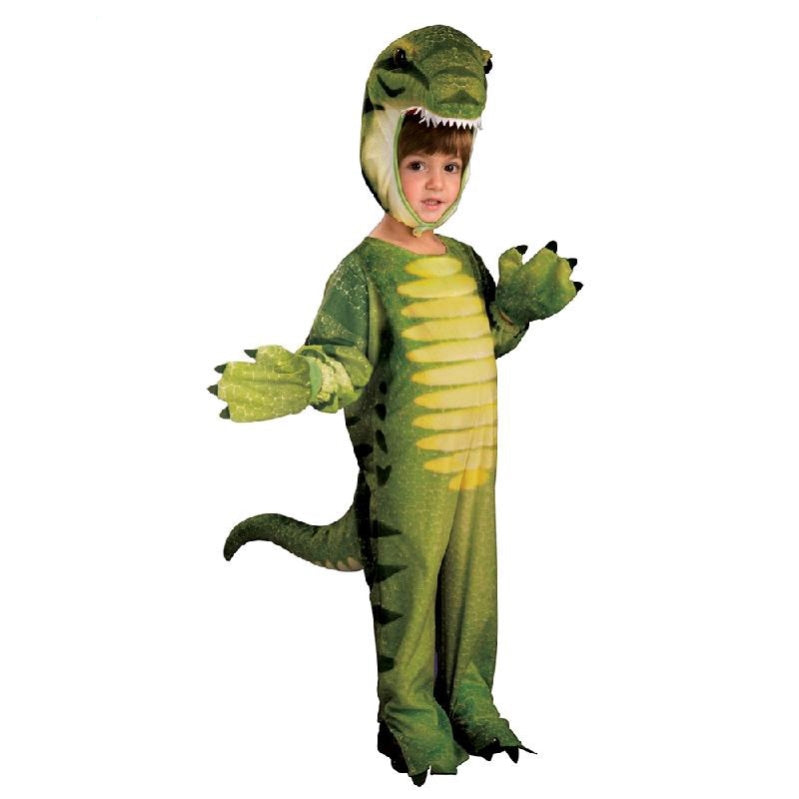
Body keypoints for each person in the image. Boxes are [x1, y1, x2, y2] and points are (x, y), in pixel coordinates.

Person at [210, 25, 580, 786]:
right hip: (406, 476)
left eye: (449, 165)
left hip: (474, 466)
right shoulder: (363, 270)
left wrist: (514, 312)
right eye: (417, 164)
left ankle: (470, 694)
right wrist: (302, 377)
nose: (435, 183)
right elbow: (343, 360)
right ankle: (409, 711)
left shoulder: (465, 260)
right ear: (382, 158)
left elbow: (483, 341)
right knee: (409, 598)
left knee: (474, 589)